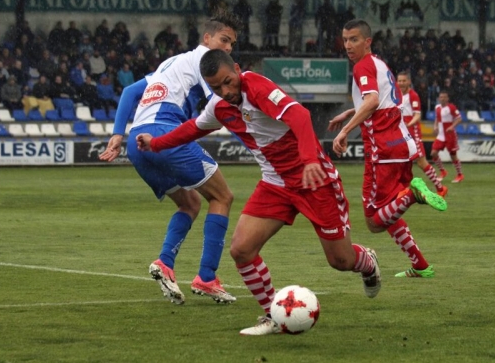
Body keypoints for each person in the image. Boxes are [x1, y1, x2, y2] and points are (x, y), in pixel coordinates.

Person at [137, 49, 381, 335]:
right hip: (275, 184)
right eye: (217, 87)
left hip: (314, 180)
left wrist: (310, 160)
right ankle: (273, 316)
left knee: (341, 261)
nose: (226, 91)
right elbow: (193, 128)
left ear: (237, 69)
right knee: (241, 250)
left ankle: (367, 261)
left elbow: (300, 116)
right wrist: (155, 144)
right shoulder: (219, 106)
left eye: (229, 81)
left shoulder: (258, 87)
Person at [98, 13, 242, 305]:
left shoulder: (170, 63)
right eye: (223, 40)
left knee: (190, 203)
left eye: (231, 44)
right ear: (207, 39)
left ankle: (165, 262)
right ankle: (207, 277)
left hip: (138, 143)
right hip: (163, 135)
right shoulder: (207, 63)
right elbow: (222, 104)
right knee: (222, 197)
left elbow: (128, 92)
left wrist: (117, 134)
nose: (227, 48)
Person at [329, 20, 446, 279]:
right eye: (345, 39)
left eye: (354, 39)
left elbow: (371, 101)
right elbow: (382, 101)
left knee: (373, 221)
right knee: (388, 212)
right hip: (401, 146)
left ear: (368, 41)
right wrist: (350, 112)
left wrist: (346, 130)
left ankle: (413, 195)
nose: (348, 45)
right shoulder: (380, 64)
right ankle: (421, 265)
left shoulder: (363, 66)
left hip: (382, 150)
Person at [397, 71, 447, 197]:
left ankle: (440, 188)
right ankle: (404, 189)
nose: (401, 83)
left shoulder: (413, 95)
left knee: (421, 162)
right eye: (399, 81)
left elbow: (417, 115)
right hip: (402, 134)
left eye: (404, 81)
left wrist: (408, 125)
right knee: (403, 162)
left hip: (413, 134)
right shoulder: (397, 95)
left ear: (409, 82)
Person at [430, 91, 464, 183]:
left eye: (444, 97)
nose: (442, 99)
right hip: (441, 135)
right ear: (439, 98)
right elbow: (437, 118)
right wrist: (435, 126)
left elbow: (459, 118)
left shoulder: (451, 107)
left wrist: (452, 126)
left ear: (447, 98)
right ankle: (443, 171)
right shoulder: (437, 107)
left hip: (450, 135)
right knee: (433, 153)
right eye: (441, 97)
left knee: (453, 156)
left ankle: (460, 175)